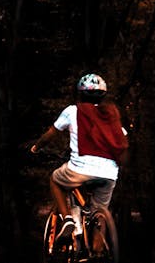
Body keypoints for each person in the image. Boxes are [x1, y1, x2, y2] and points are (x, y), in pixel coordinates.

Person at [31, 72, 128, 240]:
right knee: (100, 216)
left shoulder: (73, 111)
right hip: (110, 172)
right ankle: (98, 260)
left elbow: (51, 133)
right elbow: (123, 137)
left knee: (55, 179)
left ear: (80, 93)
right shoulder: (111, 114)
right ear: (103, 94)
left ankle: (68, 219)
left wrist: (36, 147)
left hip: (81, 168)